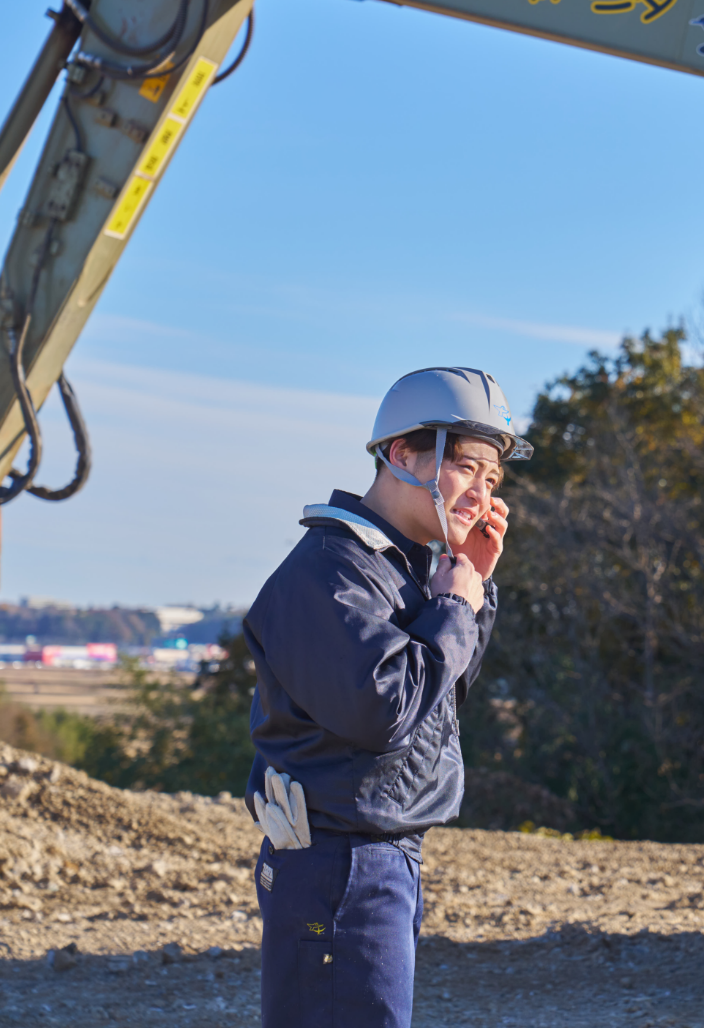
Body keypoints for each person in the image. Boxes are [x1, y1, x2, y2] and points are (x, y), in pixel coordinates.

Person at [243, 366, 533, 1028]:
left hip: (381, 855)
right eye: (466, 467)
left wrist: (474, 590)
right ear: (402, 453)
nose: (481, 493)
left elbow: (438, 700)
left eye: (492, 480)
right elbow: (386, 713)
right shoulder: (331, 571)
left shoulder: (398, 570)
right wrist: (455, 607)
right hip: (339, 863)